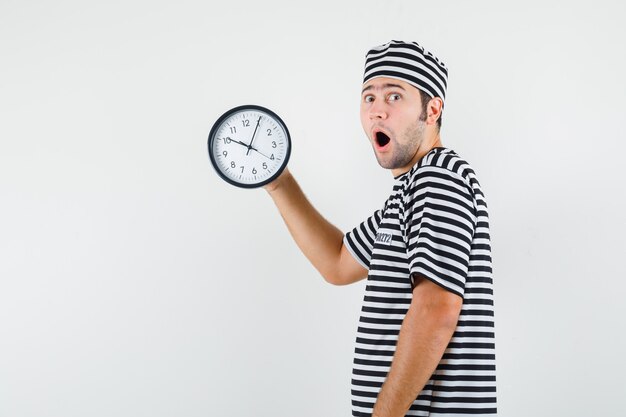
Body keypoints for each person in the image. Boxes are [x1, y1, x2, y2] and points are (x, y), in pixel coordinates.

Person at [264, 40, 497, 417]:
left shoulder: (439, 180)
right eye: (368, 98)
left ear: (432, 109)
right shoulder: (407, 193)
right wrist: (278, 181)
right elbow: (338, 262)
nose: (377, 111)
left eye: (394, 96)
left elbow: (436, 308)